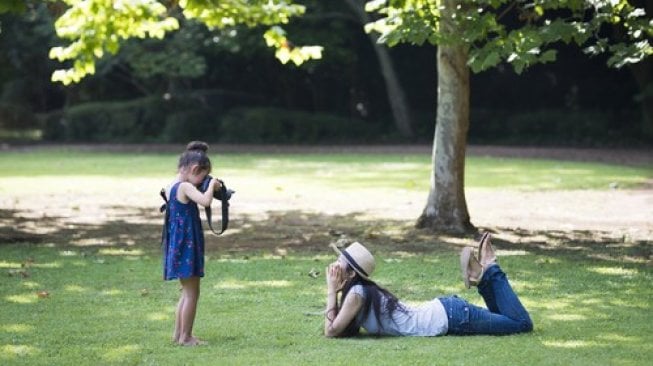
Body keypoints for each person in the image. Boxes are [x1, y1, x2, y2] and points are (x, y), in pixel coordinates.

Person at [324, 233, 533, 337]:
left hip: (452, 317)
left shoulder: (357, 294)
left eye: (339, 264)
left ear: (352, 273)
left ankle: (490, 268)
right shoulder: (359, 292)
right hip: (449, 313)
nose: (333, 267)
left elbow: (331, 331)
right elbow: (338, 328)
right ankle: (481, 274)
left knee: (522, 325)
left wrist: (332, 290)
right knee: (506, 320)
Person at [162, 141, 221, 346]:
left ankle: (179, 334)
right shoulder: (186, 186)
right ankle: (186, 337)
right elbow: (205, 201)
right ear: (195, 169)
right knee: (192, 293)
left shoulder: (172, 185)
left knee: (186, 293)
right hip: (187, 245)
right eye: (202, 178)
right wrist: (212, 186)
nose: (201, 183)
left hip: (179, 245)